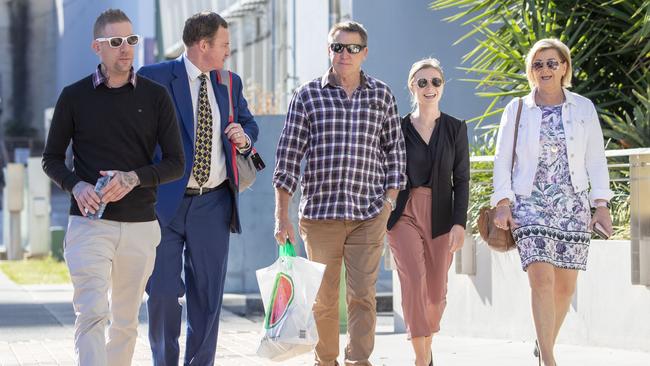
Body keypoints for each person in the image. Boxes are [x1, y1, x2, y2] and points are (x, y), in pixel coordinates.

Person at [42, 9, 184, 366]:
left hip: (139, 226)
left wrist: (133, 178)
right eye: (116, 42)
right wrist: (75, 186)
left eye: (131, 41)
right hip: (89, 224)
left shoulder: (155, 97)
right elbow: (52, 158)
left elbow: (175, 163)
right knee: (91, 313)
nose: (126, 49)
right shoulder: (73, 97)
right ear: (97, 48)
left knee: (124, 322)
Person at [273, 21, 406, 366]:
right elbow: (287, 159)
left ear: (364, 52)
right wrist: (281, 217)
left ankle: (359, 360)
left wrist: (389, 201)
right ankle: (326, 361)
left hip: (369, 213)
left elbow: (395, 152)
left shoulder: (381, 94)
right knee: (324, 298)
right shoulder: (307, 95)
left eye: (352, 48)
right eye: (337, 47)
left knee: (364, 296)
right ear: (328, 50)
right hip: (319, 217)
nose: (344, 54)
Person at [137, 11, 258, 366]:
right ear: (203, 45)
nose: (228, 52)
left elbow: (248, 122)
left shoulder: (229, 82)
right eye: (224, 45)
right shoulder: (155, 78)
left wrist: (244, 136)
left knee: (207, 296)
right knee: (161, 293)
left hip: (214, 203)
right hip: (164, 205)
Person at [492, 38, 613, 366]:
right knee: (541, 278)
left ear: (564, 68)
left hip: (572, 205)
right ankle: (548, 358)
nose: (544, 69)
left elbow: (596, 159)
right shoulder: (516, 108)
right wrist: (503, 202)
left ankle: (542, 341)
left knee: (565, 288)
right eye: (537, 64)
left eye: (551, 63)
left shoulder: (583, 108)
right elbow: (502, 160)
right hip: (529, 203)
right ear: (531, 71)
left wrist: (601, 204)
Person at [386, 58, 469, 366]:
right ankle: (421, 360)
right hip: (404, 214)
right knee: (413, 282)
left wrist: (459, 223)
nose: (429, 87)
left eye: (435, 82)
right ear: (412, 86)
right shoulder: (397, 127)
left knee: (435, 293)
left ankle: (426, 351)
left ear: (442, 86)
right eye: (422, 82)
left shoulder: (456, 128)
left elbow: (461, 179)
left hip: (441, 215)